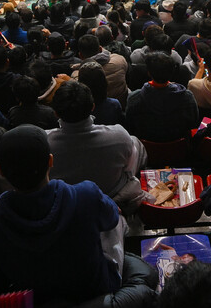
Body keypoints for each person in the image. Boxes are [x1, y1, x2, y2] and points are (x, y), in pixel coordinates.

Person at [0, 125, 156, 308]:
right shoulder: (86, 194)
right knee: (144, 271)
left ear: (0, 171)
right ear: (51, 161)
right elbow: (111, 219)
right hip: (95, 294)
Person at [48, 81, 146, 211]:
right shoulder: (119, 136)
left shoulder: (45, 143)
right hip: (112, 197)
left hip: (66, 205)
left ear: (55, 113)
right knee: (134, 142)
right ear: (93, 107)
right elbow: (129, 166)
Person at [124, 53, 200, 143]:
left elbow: (130, 127)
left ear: (149, 73)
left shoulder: (134, 98)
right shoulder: (187, 97)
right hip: (181, 148)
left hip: (145, 147)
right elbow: (194, 124)